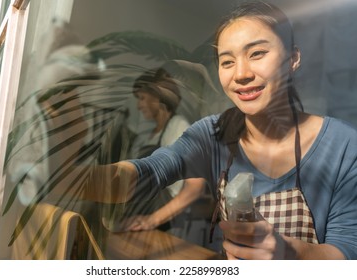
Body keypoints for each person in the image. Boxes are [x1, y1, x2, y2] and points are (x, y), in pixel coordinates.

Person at [85, 1, 357, 259]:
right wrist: (72, 178)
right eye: (227, 62)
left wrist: (289, 254)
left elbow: (348, 252)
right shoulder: (212, 134)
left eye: (257, 53)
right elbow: (152, 170)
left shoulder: (343, 145)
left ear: (293, 58)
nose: (241, 74)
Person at [122, 67, 206, 236]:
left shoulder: (179, 128)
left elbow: (196, 187)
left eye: (142, 98)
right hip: (139, 218)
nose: (139, 105)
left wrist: (152, 220)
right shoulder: (148, 136)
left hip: (165, 224)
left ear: (158, 96)